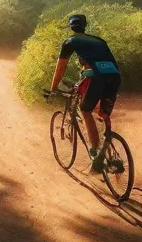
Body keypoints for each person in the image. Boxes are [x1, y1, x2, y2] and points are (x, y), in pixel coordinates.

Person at [48, 13, 121, 173]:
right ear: (85, 25)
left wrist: (53, 89)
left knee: (85, 111)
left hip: (96, 78)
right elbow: (111, 63)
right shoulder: (99, 41)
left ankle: (95, 154)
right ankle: (107, 146)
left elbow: (60, 68)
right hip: (114, 77)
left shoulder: (70, 42)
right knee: (103, 113)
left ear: (71, 26)